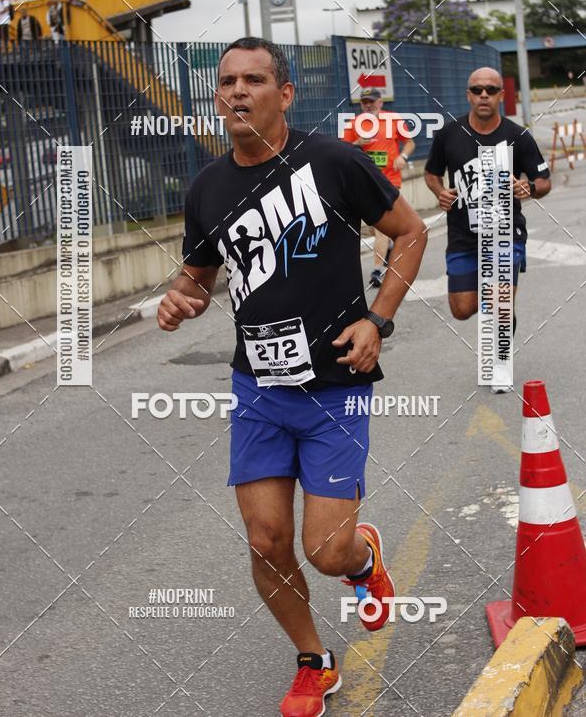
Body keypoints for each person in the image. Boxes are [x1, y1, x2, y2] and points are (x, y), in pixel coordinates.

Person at [157, 37, 427, 716]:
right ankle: (314, 660)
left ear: (285, 94)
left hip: (334, 385)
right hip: (258, 389)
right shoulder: (207, 188)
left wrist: (379, 320)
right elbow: (197, 275)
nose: (237, 92)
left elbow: (412, 231)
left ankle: (363, 559)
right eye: (227, 82)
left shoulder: (333, 163)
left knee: (326, 550)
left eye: (253, 79)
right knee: (266, 540)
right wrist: (178, 297)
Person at [424, 66, 551, 392]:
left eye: (491, 90)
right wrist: (440, 192)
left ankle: (500, 360)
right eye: (477, 89)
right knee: (463, 309)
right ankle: (498, 310)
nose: (483, 95)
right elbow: (431, 173)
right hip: (463, 237)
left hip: (506, 233)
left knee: (498, 302)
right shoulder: (448, 135)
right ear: (468, 94)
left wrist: (528, 188)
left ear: (501, 95)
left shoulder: (517, 136)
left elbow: (543, 180)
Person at [343, 88, 415, 287]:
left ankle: (377, 270)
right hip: (364, 182)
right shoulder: (354, 124)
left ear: (380, 103)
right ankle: (390, 246)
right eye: (365, 101)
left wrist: (403, 156)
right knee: (382, 228)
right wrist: (356, 143)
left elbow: (409, 143)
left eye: (372, 101)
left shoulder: (392, 120)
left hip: (390, 180)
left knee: (381, 227)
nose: (368, 105)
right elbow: (342, 151)